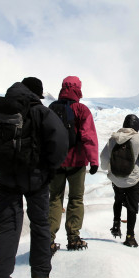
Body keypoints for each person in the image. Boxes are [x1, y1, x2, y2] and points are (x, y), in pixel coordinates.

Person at [0, 77, 69, 278]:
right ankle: (40, 277)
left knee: (7, 228)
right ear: (36, 94)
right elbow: (60, 142)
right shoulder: (40, 112)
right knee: (40, 224)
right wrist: (49, 168)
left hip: (8, 180)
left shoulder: (1, 111)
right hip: (36, 179)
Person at [48, 76, 99, 252]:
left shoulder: (51, 108)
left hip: (55, 162)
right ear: (78, 88)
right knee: (76, 199)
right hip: (77, 163)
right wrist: (93, 160)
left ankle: (48, 239)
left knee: (55, 198)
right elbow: (88, 136)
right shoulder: (82, 110)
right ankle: (73, 237)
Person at [100, 114, 139, 248]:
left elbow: (104, 156)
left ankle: (116, 224)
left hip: (116, 178)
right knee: (132, 207)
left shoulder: (114, 138)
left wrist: (107, 168)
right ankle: (130, 236)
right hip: (132, 180)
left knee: (117, 200)